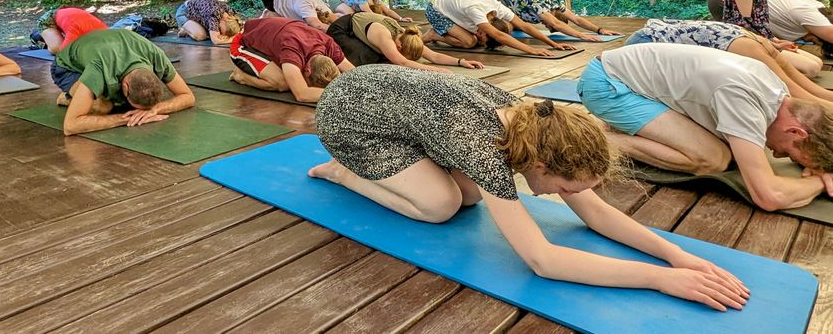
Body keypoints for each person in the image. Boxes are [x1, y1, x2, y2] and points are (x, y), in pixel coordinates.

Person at [309, 65, 748, 312]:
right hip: (348, 119)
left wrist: (678, 255)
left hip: (391, 101)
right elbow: (543, 260)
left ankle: (393, 167)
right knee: (442, 204)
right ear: (540, 165)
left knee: (471, 196)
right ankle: (343, 172)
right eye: (561, 188)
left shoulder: (533, 126)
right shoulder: (483, 148)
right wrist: (662, 280)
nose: (558, 195)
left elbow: (595, 212)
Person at [578, 43, 833, 212]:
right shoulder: (742, 100)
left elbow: (807, 140)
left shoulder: (778, 95)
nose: (777, 155)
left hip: (626, 76)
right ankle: (598, 137)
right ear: (796, 131)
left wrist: (818, 165)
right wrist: (821, 184)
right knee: (713, 159)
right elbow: (769, 196)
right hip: (607, 85)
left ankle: (624, 126)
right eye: (787, 152)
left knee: (728, 151)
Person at [624, 19, 833, 103]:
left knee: (799, 78)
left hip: (661, 36)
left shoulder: (762, 45)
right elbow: (791, 90)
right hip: (646, 43)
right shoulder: (749, 48)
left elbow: (802, 84)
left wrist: (826, 99)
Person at [51, 28, 195, 135]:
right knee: (103, 107)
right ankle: (67, 98)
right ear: (125, 88)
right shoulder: (99, 68)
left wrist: (155, 109)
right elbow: (70, 126)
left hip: (107, 50)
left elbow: (188, 96)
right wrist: (127, 119)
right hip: (68, 67)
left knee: (123, 103)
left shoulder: (156, 57)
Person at [229, 17, 354, 103]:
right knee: (282, 83)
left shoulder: (329, 45)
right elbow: (302, 94)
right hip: (243, 43)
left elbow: (355, 73)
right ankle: (240, 75)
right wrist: (343, 96)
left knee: (289, 78)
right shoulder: (292, 52)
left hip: (273, 37)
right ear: (307, 71)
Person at [711, 0, 831, 70]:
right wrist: (774, 45)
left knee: (817, 63)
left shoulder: (817, 9)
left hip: (752, 21)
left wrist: (776, 42)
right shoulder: (807, 14)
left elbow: (763, 28)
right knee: (812, 68)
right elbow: (751, 29)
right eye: (816, 41)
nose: (812, 41)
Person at [421, 0, 571, 56]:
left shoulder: (498, 8)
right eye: (483, 34)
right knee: (469, 42)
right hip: (436, 9)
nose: (480, 34)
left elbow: (524, 26)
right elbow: (498, 35)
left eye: (482, 35)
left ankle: (445, 32)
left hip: (454, 11)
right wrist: (531, 50)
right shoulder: (476, 11)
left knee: (476, 42)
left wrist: (552, 43)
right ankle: (433, 34)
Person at [326, 11, 485, 72]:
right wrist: (436, 71)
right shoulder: (385, 37)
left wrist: (461, 61)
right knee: (367, 62)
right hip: (343, 30)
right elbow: (402, 62)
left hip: (365, 31)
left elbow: (434, 56)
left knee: (387, 59)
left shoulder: (408, 36)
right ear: (399, 45)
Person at [486, 0, 621, 40]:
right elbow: (557, 24)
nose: (545, 25)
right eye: (548, 26)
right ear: (554, 18)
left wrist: (599, 30)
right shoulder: (542, 6)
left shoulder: (556, 6)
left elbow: (576, 19)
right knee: (503, 27)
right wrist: (582, 35)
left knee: (520, 26)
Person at [35, 7, 108, 54]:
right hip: (49, 19)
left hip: (69, 20)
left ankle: (54, 37)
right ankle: (40, 38)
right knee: (57, 50)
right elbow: (64, 52)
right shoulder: (76, 27)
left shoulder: (105, 31)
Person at [174, 0, 242, 44]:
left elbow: (241, 29)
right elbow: (215, 41)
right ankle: (186, 29)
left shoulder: (231, 13)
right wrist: (232, 39)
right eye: (220, 29)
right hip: (184, 13)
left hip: (199, 16)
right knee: (201, 36)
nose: (219, 32)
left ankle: (191, 27)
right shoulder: (214, 14)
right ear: (224, 21)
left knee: (211, 32)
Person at [326, 0, 413, 22]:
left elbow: (387, 10)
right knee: (351, 16)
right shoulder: (362, 1)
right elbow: (372, 16)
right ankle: (331, 16)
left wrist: (401, 18)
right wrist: (386, 20)